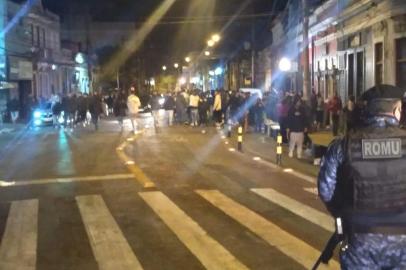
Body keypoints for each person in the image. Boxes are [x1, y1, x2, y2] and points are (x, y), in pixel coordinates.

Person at [318, 84, 406, 269]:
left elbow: (326, 190)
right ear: (397, 110)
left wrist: (343, 214)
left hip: (359, 240)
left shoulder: (343, 145)